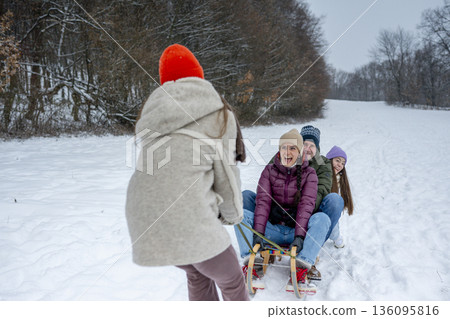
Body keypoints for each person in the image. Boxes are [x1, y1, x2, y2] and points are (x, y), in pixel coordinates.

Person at [125, 44, 249, 301]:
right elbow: (226, 177)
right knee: (233, 280)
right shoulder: (218, 114)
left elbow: (158, 177)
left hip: (145, 224)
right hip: (188, 221)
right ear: (198, 75)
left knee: (197, 274)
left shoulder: (153, 115)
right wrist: (233, 215)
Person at [235, 129, 331, 290]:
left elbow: (306, 205)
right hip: (273, 231)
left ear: (300, 152)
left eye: (293, 148)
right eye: (284, 147)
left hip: (297, 234)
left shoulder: (310, 174)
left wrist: (300, 236)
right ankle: (252, 265)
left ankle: (301, 269)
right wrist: (258, 234)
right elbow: (263, 202)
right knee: (240, 214)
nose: (288, 152)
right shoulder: (269, 171)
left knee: (322, 219)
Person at [326, 146, 354, 248]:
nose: (340, 165)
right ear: (329, 160)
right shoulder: (322, 175)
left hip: (329, 209)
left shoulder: (338, 179)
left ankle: (336, 236)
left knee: (332, 221)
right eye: (337, 160)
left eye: (343, 163)